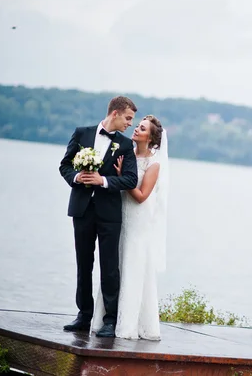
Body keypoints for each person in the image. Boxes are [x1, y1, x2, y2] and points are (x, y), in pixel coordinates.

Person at [59, 96, 138, 338]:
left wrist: (102, 180)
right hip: (82, 210)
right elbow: (65, 165)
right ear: (115, 113)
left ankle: (110, 320)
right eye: (128, 118)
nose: (130, 124)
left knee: (109, 267)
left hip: (109, 214)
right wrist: (76, 177)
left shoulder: (125, 146)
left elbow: (130, 179)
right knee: (84, 264)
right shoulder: (82, 133)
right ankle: (83, 315)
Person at [91, 115, 169, 340]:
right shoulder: (127, 154)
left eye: (141, 128)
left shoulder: (154, 164)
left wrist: (122, 178)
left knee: (132, 266)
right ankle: (107, 317)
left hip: (138, 219)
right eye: (136, 126)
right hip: (119, 215)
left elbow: (142, 196)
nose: (135, 129)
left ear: (151, 138)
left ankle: (127, 323)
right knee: (114, 265)